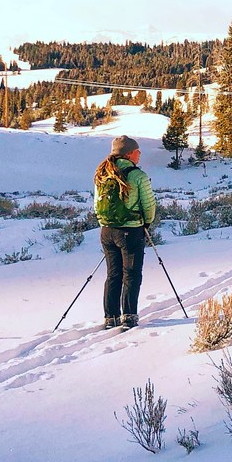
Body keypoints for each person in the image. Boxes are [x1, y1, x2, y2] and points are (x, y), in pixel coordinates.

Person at [92, 135, 155, 330]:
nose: (140, 155)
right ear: (129, 153)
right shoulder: (137, 175)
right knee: (132, 274)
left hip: (107, 231)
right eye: (137, 151)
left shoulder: (103, 172)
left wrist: (106, 223)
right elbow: (149, 205)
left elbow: (96, 204)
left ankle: (110, 317)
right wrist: (147, 223)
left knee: (113, 274)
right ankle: (129, 316)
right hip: (131, 230)